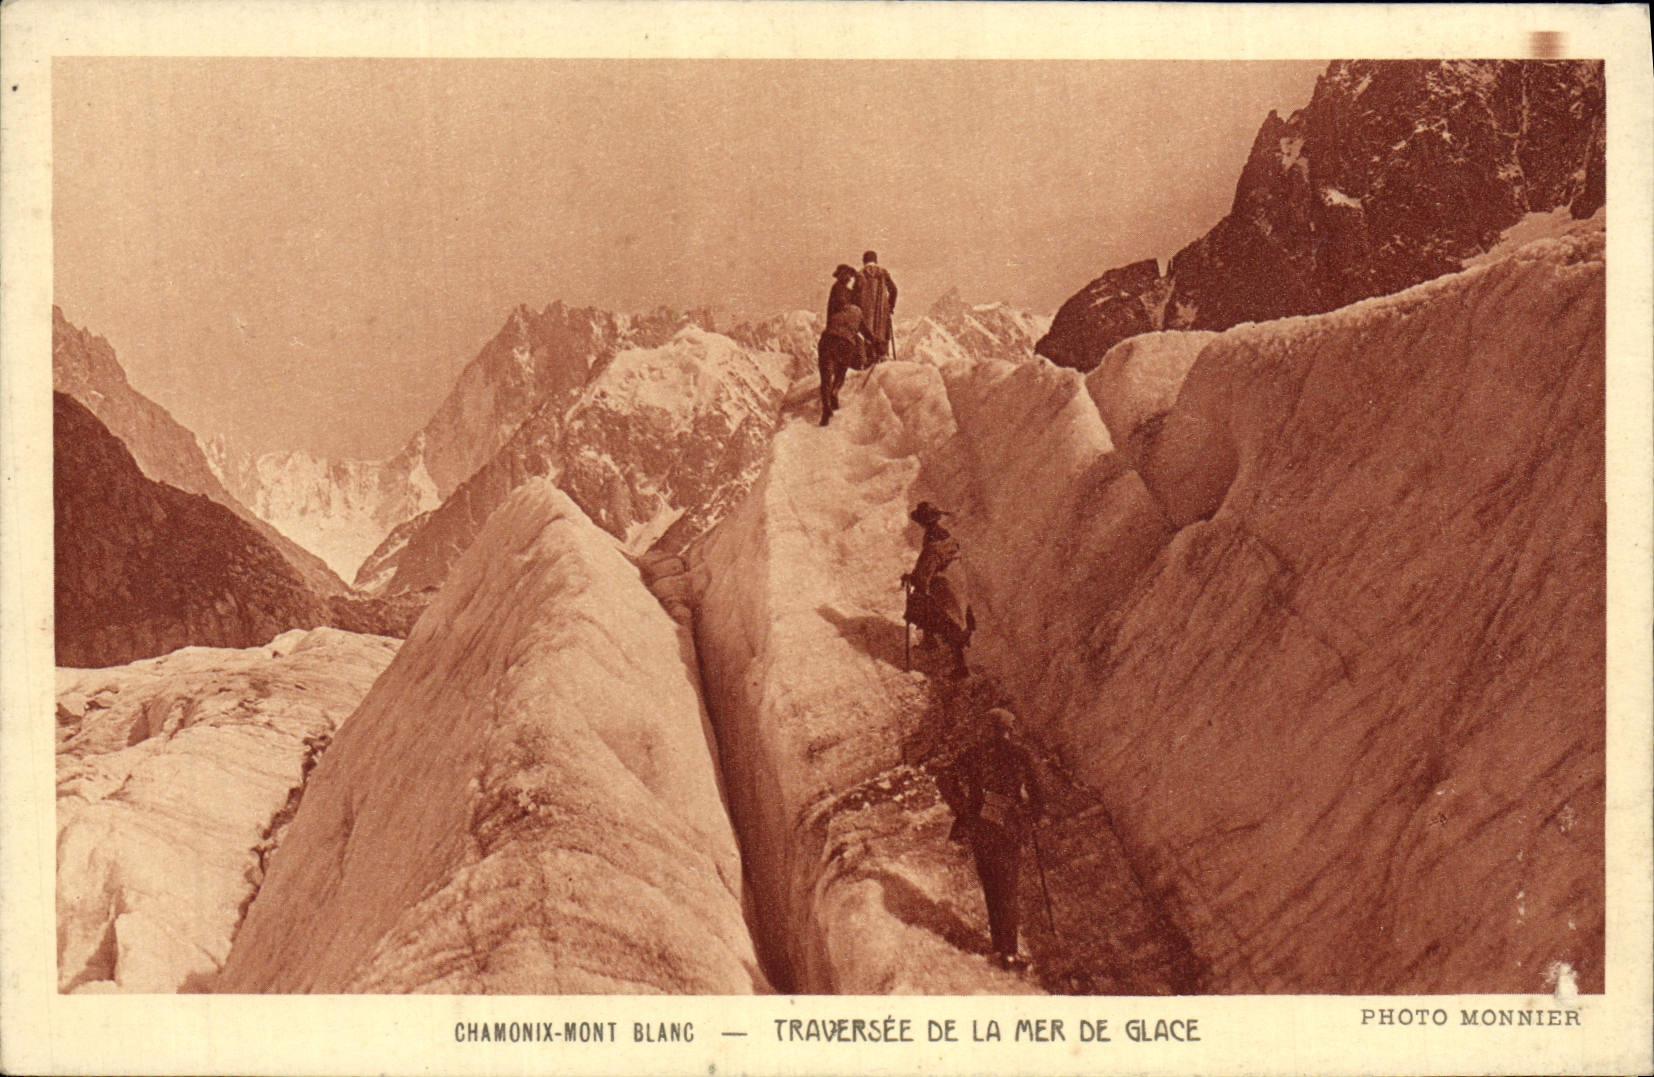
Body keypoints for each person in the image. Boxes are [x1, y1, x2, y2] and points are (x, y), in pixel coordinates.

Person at [946, 707, 1045, 970]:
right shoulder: (1020, 754)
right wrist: (1030, 819)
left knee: (991, 886)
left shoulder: (974, 753)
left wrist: (965, 811)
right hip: (1007, 829)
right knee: (1008, 889)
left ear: (989, 728)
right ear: (1009, 729)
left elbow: (944, 778)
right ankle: (1009, 954)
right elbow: (1039, 793)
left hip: (980, 827)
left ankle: (999, 948)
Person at [903, 500, 974, 677]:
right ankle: (930, 640)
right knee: (954, 616)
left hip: (945, 584)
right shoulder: (944, 534)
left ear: (922, 522)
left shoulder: (932, 542)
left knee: (945, 618)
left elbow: (924, 570)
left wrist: (913, 580)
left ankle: (960, 668)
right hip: (956, 579)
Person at [817, 264, 864, 426]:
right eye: (848, 276)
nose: (849, 278)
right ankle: (835, 392)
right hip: (845, 340)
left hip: (829, 336)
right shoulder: (848, 297)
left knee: (825, 376)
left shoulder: (837, 290)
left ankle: (826, 408)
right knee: (841, 371)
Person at [856, 250, 898, 363]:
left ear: (864, 261)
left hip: (865, 315)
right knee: (882, 339)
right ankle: (882, 359)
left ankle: (870, 361)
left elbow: (855, 296)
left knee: (868, 340)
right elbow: (894, 290)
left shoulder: (860, 275)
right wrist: (890, 306)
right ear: (876, 261)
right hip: (882, 315)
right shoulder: (883, 273)